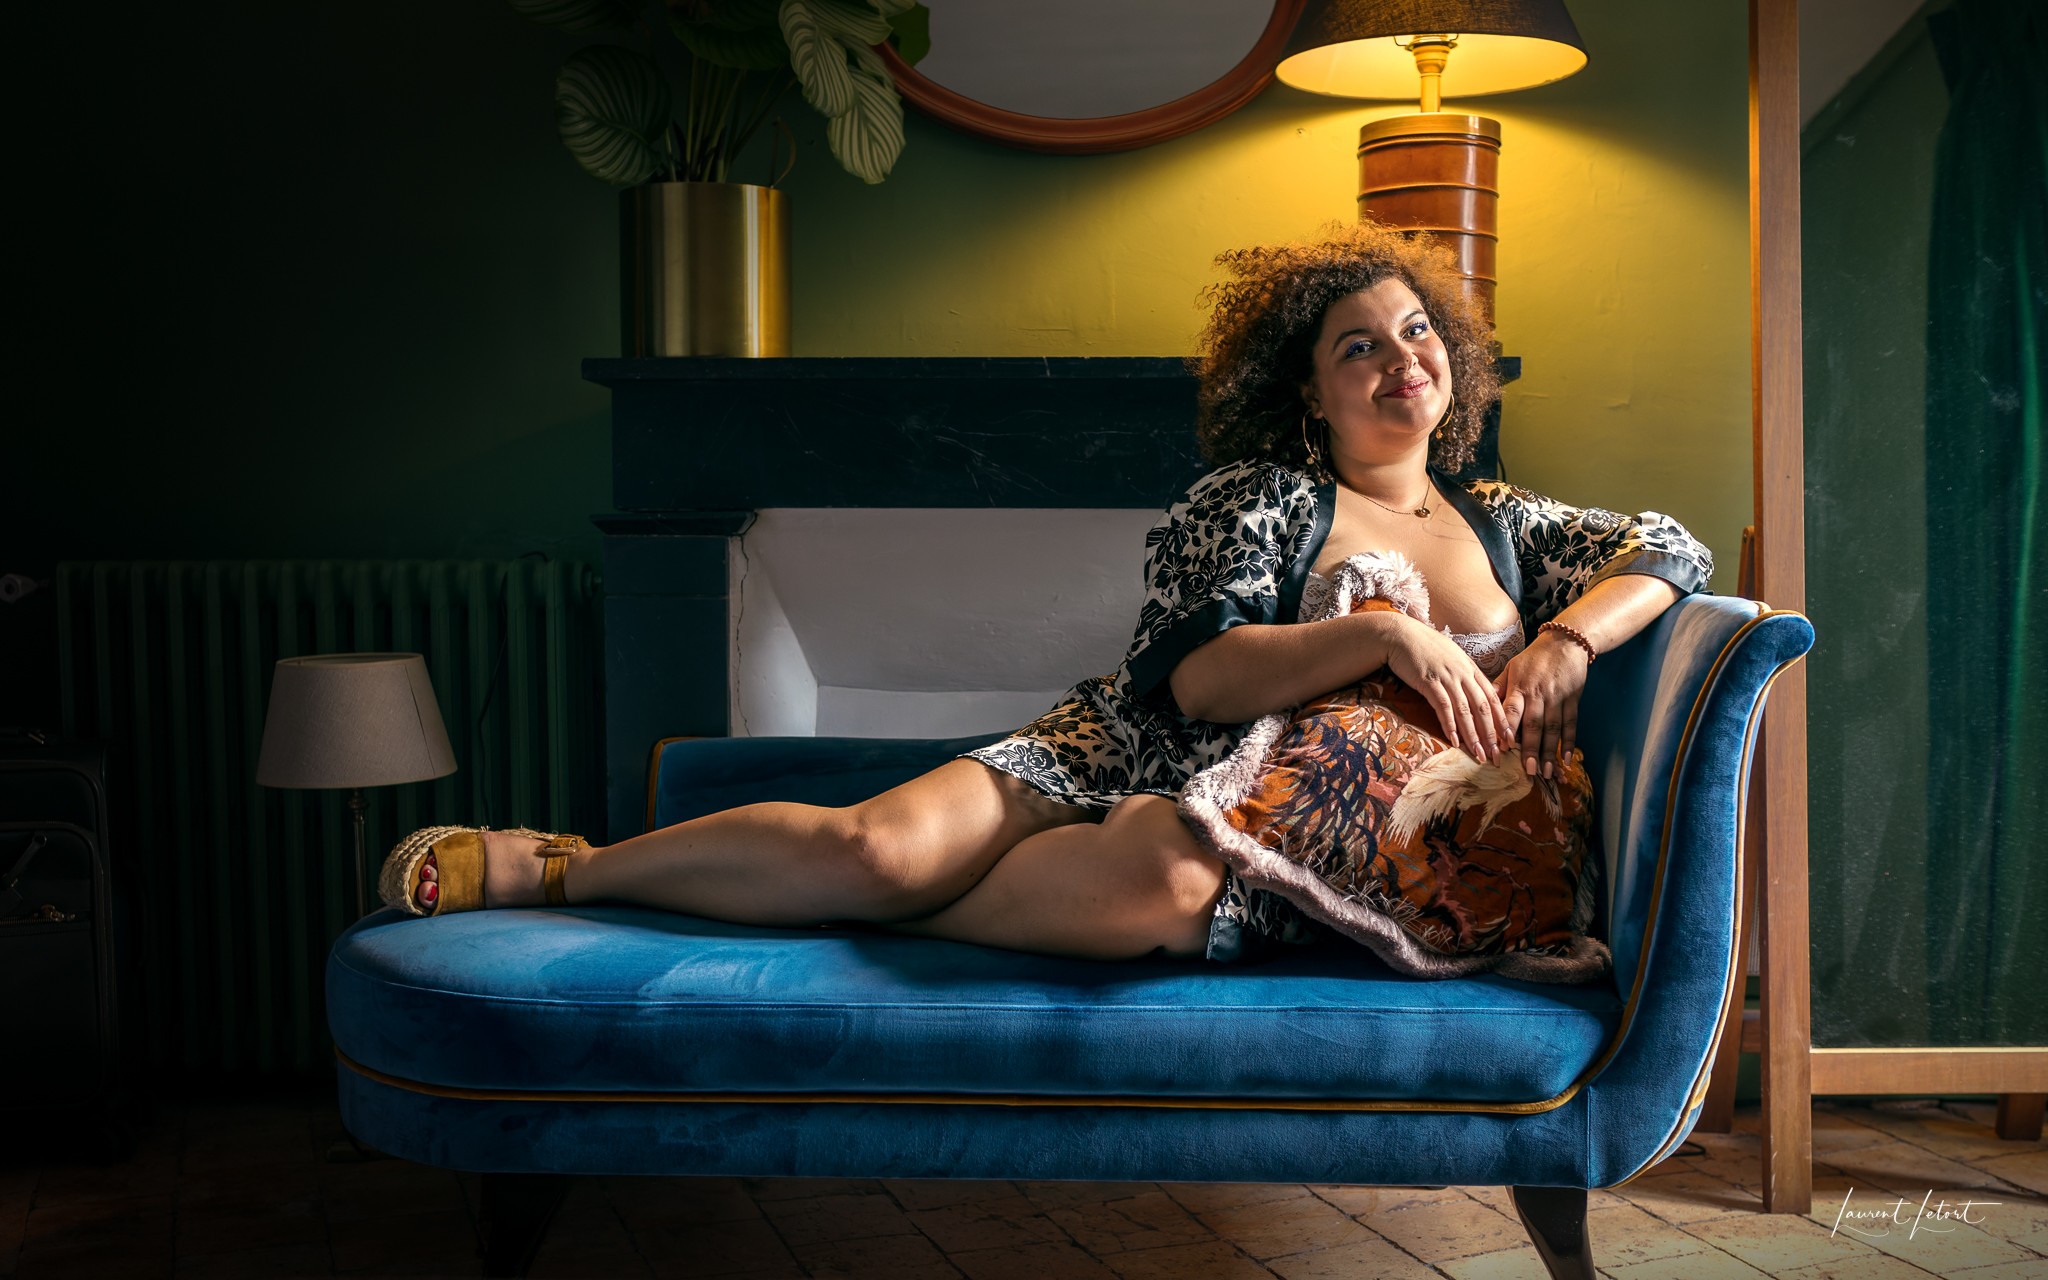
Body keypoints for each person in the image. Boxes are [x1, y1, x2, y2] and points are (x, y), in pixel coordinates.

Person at [379, 222, 1714, 965]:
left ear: (1454, 363)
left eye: (1416, 332)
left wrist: (1568, 648)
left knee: (1164, 881)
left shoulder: (1509, 524)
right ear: (1307, 391)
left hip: (1251, 849)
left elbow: (1674, 549)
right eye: (1354, 346)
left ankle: (845, 913)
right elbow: (1193, 680)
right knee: (873, 851)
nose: (1396, 360)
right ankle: (568, 870)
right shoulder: (1256, 498)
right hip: (1109, 754)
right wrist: (1381, 632)